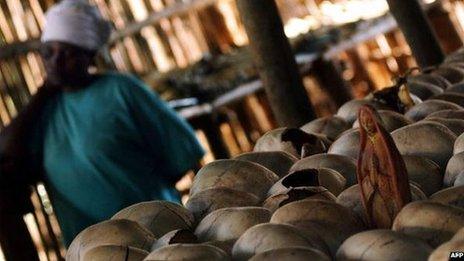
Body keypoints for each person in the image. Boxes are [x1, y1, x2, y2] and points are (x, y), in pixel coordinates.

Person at [0, 0, 204, 247]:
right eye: (48, 53)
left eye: (68, 52)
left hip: (157, 236)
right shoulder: (43, 111)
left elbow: (181, 155)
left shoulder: (122, 91)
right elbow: (5, 149)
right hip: (92, 248)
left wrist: (141, 198)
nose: (56, 61)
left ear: (90, 56)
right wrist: (44, 91)